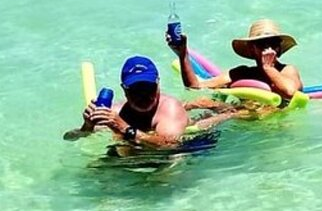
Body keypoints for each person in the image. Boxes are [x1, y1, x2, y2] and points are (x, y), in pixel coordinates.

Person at [64, 55, 189, 147]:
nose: (143, 95)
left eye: (148, 88)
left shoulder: (170, 108)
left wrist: (124, 128)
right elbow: (69, 138)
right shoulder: (115, 112)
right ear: (124, 89)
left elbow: (170, 146)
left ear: (158, 84)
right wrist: (87, 127)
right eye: (136, 90)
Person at [169, 18, 303, 99]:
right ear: (251, 48)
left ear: (279, 48)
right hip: (242, 118)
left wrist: (268, 68)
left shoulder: (287, 70)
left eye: (273, 43)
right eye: (261, 44)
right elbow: (196, 88)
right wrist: (182, 54)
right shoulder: (242, 73)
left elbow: (290, 92)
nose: (268, 49)